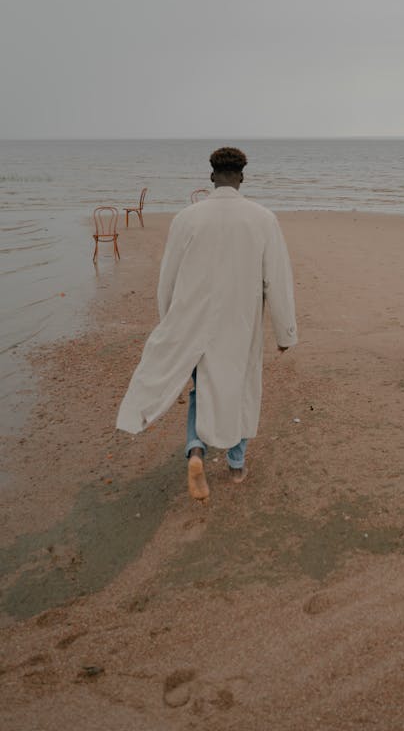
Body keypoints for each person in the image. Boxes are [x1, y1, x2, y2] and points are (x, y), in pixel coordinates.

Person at [117, 146, 297, 500]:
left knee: (202, 389)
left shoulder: (187, 218)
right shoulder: (262, 219)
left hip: (192, 322)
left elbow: (167, 278)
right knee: (241, 389)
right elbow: (276, 278)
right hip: (241, 323)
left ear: (212, 176)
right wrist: (284, 330)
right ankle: (236, 463)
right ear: (241, 178)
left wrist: (168, 322)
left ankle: (196, 450)